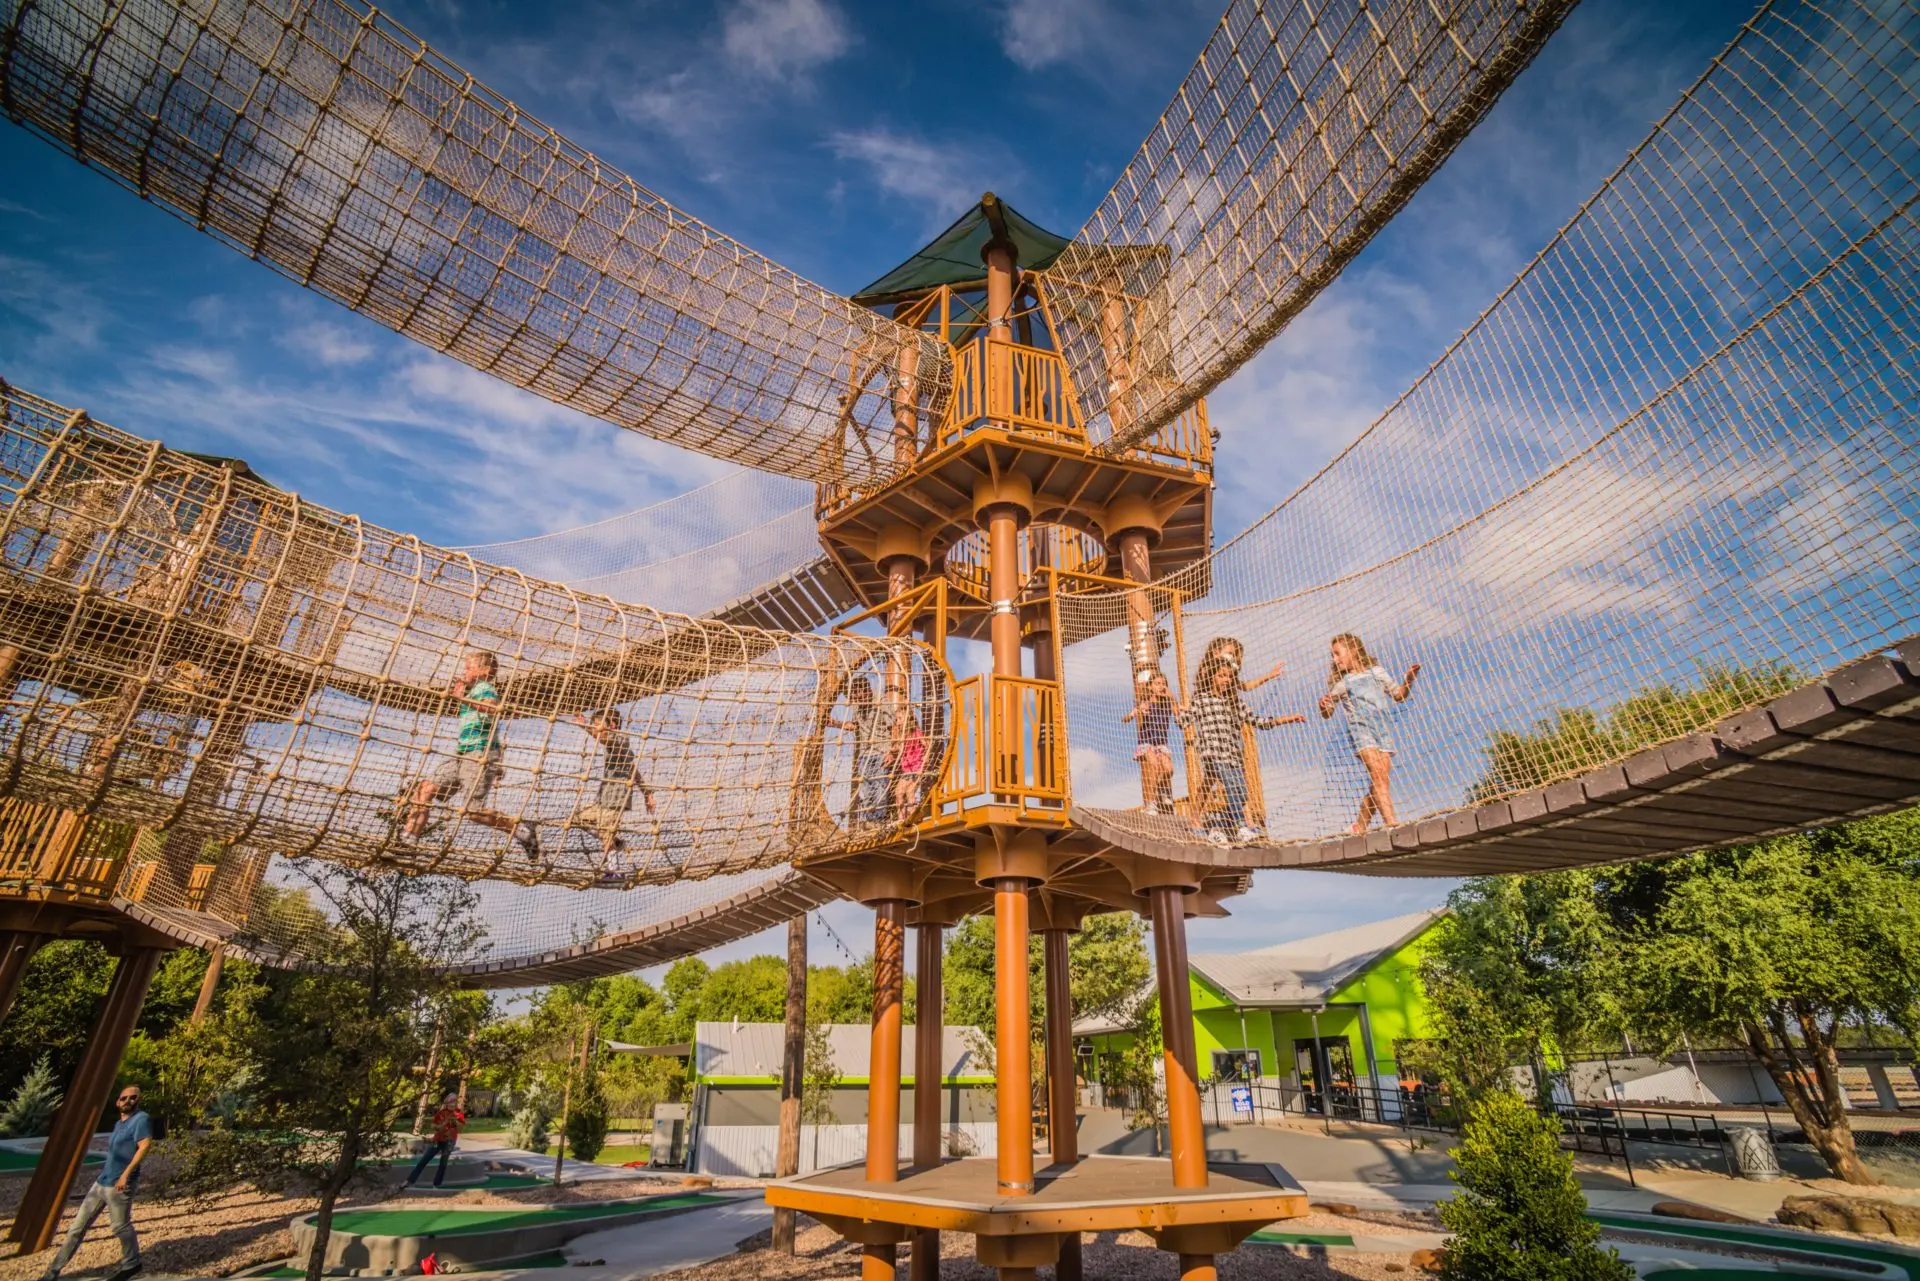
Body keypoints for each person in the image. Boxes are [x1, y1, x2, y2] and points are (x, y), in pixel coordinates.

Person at [402, 650, 538, 857]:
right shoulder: (474, 689)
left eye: (469, 667)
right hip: (463, 753)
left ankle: (523, 831)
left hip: (479, 754)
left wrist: (462, 698)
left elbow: (491, 709)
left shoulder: (485, 688)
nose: (465, 671)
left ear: (485, 671)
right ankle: (407, 840)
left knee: (473, 812)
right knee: (425, 789)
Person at [1176, 648, 1303, 845]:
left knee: (1242, 791)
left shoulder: (1237, 704)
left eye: (1229, 676)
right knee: (1229, 784)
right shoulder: (1202, 699)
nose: (1225, 680)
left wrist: (1286, 719)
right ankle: (1240, 825)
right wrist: (1178, 710)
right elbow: (1185, 720)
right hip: (1212, 753)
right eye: (1221, 676)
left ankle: (1224, 824)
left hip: (1232, 755)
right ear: (1212, 677)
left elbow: (1258, 721)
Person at [39, 1083, 151, 1281]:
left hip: (120, 1185)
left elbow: (144, 1146)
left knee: (120, 1226)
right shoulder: (119, 1124)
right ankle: (51, 1273)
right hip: (101, 1183)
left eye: (133, 1097)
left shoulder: (141, 1119)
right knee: (76, 1229)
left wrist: (125, 1175)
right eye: (124, 1098)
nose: (129, 1101)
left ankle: (132, 1263)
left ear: (138, 1100)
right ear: (118, 1102)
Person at [1318, 633, 1420, 832]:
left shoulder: (1378, 673)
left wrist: (1409, 679)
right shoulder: (1343, 684)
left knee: (1380, 781)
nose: (1334, 659)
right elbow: (1328, 713)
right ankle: (1392, 825)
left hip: (1382, 730)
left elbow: (1399, 695)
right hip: (1361, 731)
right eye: (1332, 656)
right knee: (1378, 775)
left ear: (1354, 650)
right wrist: (1323, 706)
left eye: (1337, 654)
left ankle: (1360, 825)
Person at [563, 708, 655, 857]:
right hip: (604, 797)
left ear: (611, 724)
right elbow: (632, 769)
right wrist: (647, 793)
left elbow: (604, 738)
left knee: (606, 832)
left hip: (616, 796)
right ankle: (616, 842)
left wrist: (585, 726)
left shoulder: (620, 738)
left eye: (598, 725)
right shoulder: (616, 746)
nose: (596, 729)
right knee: (575, 819)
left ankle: (612, 873)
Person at [829, 679, 892, 827]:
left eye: (860, 696)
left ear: (868, 691)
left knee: (879, 786)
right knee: (866, 789)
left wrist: (891, 751)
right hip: (865, 753)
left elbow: (893, 728)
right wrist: (835, 723)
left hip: (881, 750)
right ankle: (869, 820)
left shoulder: (881, 702)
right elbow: (855, 726)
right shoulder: (857, 705)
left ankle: (878, 820)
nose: (858, 700)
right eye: (855, 697)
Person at [1123, 670, 1177, 813]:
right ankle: (1151, 803)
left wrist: (1172, 697)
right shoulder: (1145, 704)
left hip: (1161, 744)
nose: (1161, 686)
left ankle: (1162, 790)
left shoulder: (1167, 704)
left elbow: (1179, 710)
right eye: (1157, 683)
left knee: (1169, 769)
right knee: (1154, 766)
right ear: (1150, 687)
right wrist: (1135, 712)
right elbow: (1126, 719)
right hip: (1147, 742)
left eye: (1163, 684)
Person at [406, 1093, 466, 1189]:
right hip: (437, 1140)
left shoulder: (458, 1114)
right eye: (450, 1102)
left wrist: (454, 1121)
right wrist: (441, 1125)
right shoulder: (441, 1113)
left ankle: (436, 1184)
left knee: (443, 1163)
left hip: (449, 1141)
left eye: (453, 1102)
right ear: (446, 1102)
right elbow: (433, 1125)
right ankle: (410, 1181)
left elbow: (461, 1128)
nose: (451, 1104)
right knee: (424, 1160)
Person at [893, 711, 930, 819]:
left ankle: (914, 816)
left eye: (900, 719)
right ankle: (901, 820)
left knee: (910, 793)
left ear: (908, 720)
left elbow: (927, 746)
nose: (897, 722)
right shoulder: (902, 734)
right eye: (897, 719)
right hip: (906, 770)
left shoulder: (916, 732)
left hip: (915, 768)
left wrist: (923, 765)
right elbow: (898, 748)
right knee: (898, 793)